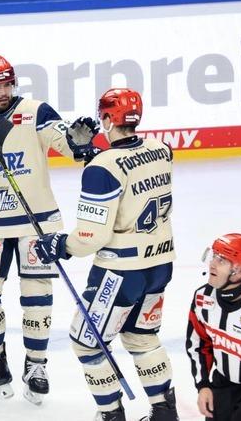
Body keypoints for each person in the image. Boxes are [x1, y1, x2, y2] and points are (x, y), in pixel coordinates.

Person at [0, 54, 98, 405]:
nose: (3, 92)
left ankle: (35, 365)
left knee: (36, 295)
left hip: (37, 221)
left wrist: (79, 144)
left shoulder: (36, 111)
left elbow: (67, 146)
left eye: (7, 84)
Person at [35, 88, 179, 420]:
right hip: (160, 264)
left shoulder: (102, 167)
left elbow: (91, 235)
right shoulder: (162, 150)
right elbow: (129, 172)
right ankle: (164, 412)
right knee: (141, 337)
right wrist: (91, 154)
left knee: (87, 342)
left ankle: (111, 414)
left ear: (107, 119)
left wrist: (60, 245)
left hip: (121, 273)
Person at [186, 233, 241, 421]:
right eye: (213, 256)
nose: (212, 264)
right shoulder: (203, 298)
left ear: (239, 270)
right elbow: (199, 344)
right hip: (223, 385)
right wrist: (203, 385)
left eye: (221, 260)